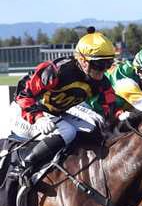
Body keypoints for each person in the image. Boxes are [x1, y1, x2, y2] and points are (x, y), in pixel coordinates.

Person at [10, 28, 124, 184]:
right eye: (99, 64)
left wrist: (120, 114)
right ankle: (23, 166)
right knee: (68, 131)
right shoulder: (57, 71)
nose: (103, 70)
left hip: (55, 113)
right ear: (83, 60)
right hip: (24, 112)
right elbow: (23, 94)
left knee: (95, 127)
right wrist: (38, 117)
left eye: (108, 64)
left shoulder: (101, 81)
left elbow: (109, 104)